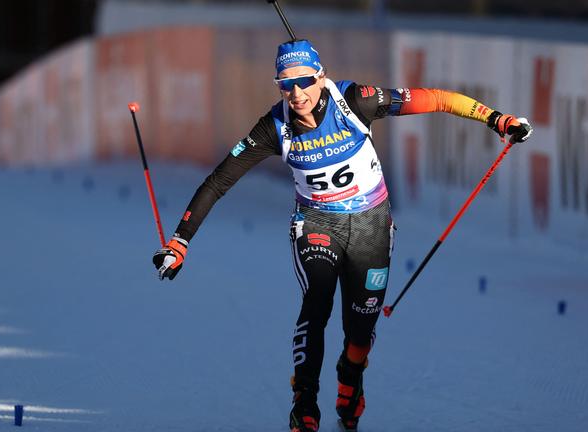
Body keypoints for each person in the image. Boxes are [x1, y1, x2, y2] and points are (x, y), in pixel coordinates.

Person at [152, 39, 532, 432]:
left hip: (371, 224)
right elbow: (219, 181)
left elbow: (434, 99)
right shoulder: (273, 126)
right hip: (317, 224)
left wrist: (496, 119)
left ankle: (351, 378)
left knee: (360, 332)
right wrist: (180, 242)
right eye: (285, 85)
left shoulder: (356, 100)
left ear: (321, 77)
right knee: (316, 301)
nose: (295, 93)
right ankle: (305, 403)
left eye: (303, 82)